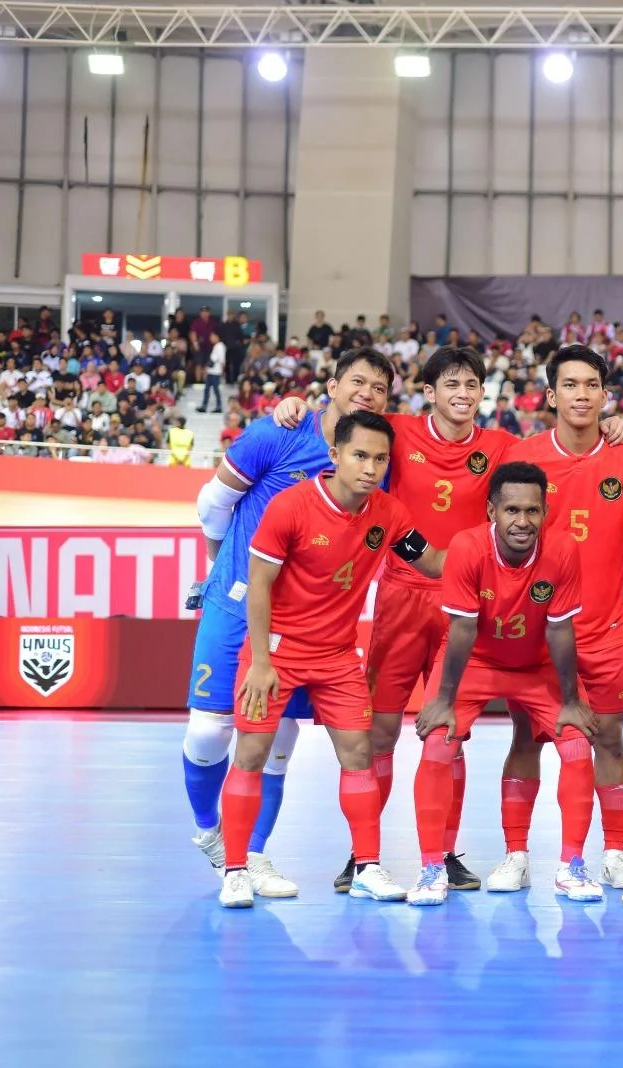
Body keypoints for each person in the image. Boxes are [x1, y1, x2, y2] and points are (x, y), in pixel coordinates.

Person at [274, 346, 523, 893]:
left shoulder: (502, 446)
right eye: (451, 384)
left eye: (472, 385)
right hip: (402, 598)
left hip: (464, 607)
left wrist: (615, 427)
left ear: (483, 392)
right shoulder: (399, 431)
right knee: (380, 732)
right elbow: (344, 417)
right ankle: (364, 858)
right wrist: (294, 405)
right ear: (429, 392)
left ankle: (445, 853)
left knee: (448, 734)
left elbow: (558, 456)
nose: (463, 394)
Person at [180, 348, 393, 897]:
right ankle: (209, 832)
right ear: (332, 386)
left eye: (379, 388)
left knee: (277, 740)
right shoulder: (279, 431)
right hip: (237, 603)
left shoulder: (373, 455)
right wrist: (218, 562)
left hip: (303, 628)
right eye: (358, 382)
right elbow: (212, 502)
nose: (367, 394)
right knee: (209, 730)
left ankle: (252, 855)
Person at [218, 411, 444, 908]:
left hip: (337, 656)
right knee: (251, 755)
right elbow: (259, 586)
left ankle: (366, 868)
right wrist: (261, 662)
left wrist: (490, 549)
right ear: (336, 455)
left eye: (379, 459)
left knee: (359, 754)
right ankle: (235, 871)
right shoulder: (291, 506)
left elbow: (432, 563)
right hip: (277, 651)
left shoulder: (388, 513)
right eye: (360, 456)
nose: (370, 468)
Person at [510, 345, 623, 895]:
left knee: (611, 740)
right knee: (526, 739)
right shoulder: (523, 458)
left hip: (605, 631)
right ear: (551, 395)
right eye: (569, 385)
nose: (581, 394)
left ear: (604, 395)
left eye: (591, 385)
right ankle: (517, 854)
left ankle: (615, 853)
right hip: (535, 633)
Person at [410, 462, 595, 905]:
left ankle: (570, 865)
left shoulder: (563, 549)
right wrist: (444, 700)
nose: (522, 521)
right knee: (438, 741)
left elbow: (559, 630)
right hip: (476, 659)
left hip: (538, 664)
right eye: (512, 510)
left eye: (533, 510)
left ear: (545, 511)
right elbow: (462, 630)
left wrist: (571, 700)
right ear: (492, 511)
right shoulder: (467, 547)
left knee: (576, 744)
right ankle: (432, 867)